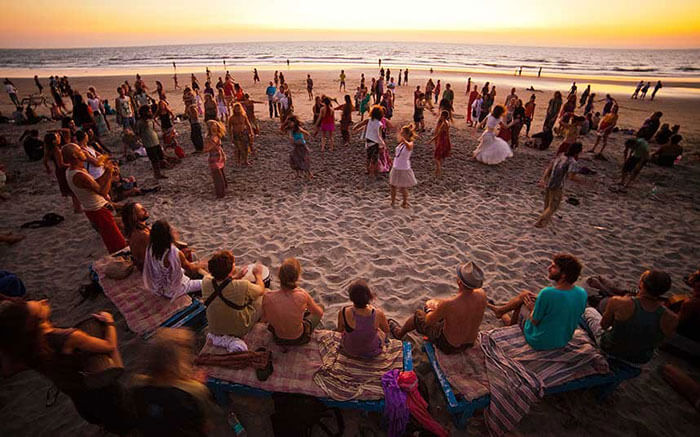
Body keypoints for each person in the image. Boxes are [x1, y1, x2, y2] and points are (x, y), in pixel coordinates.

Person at [0, 298, 134, 433]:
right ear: (36, 322)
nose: (44, 301)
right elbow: (109, 346)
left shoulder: (27, 348)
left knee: (102, 418)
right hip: (101, 390)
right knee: (124, 418)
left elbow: (7, 370)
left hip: (78, 398)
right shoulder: (67, 338)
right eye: (40, 306)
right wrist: (109, 321)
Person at [131, 328, 219, 435]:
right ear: (176, 360)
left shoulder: (136, 385)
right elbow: (205, 426)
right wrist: (194, 385)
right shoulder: (193, 392)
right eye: (186, 349)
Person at [489, 254, 586, 350]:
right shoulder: (581, 293)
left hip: (539, 340)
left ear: (564, 275)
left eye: (554, 267)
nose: (549, 268)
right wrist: (540, 300)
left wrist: (532, 308)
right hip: (563, 340)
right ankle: (500, 311)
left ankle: (507, 321)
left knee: (524, 299)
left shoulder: (548, 293)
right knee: (527, 296)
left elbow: (535, 321)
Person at [582, 270, 678, 364]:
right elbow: (659, 342)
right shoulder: (672, 318)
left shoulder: (618, 301)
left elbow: (604, 325)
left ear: (641, 284)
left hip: (609, 348)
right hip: (640, 359)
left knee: (589, 311)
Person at [390, 262, 487, 354]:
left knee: (418, 316)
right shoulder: (482, 294)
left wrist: (429, 308)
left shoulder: (450, 304)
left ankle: (399, 333)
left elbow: (428, 321)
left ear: (460, 282)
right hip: (470, 343)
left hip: (450, 346)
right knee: (444, 312)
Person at [63, 144, 126, 254]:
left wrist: (109, 174)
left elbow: (97, 184)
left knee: (129, 218)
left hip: (100, 207)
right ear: (74, 155)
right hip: (99, 210)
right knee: (117, 244)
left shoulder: (75, 170)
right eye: (80, 150)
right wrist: (108, 172)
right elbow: (102, 191)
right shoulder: (78, 175)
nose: (83, 151)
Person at [202, 251, 266, 338]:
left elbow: (222, 284)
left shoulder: (205, 281)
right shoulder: (242, 286)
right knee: (263, 296)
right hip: (239, 329)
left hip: (215, 328)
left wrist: (235, 277)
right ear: (231, 268)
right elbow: (261, 289)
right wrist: (258, 275)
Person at [262, 258, 324, 345]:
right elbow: (319, 313)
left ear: (279, 276)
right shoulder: (302, 295)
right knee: (321, 307)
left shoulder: (268, 297)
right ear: (297, 277)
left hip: (277, 337)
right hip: (298, 338)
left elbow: (265, 318)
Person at [143, 220, 203, 299]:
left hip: (158, 286)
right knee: (204, 283)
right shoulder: (173, 252)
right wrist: (201, 264)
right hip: (173, 290)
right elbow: (190, 268)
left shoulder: (150, 248)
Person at [336, 280, 390, 359]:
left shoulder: (343, 312)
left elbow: (339, 331)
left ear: (351, 298)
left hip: (350, 350)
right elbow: (387, 330)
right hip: (371, 351)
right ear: (369, 296)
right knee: (380, 332)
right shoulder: (378, 314)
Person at [534, 142, 583, 228]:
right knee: (553, 206)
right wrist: (583, 181)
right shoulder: (572, 161)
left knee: (547, 204)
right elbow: (571, 176)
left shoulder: (561, 155)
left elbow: (549, 167)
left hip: (549, 182)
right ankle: (539, 222)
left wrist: (543, 178)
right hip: (557, 185)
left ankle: (544, 222)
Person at [43, 132, 81, 213]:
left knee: (71, 190)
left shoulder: (49, 150)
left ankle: (77, 208)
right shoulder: (57, 150)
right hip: (63, 171)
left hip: (58, 172)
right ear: (54, 141)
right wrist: (72, 164)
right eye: (58, 137)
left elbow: (45, 161)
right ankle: (78, 209)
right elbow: (61, 164)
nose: (60, 138)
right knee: (73, 191)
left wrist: (48, 169)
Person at [389, 124, 418, 208]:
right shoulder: (401, 144)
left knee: (403, 187)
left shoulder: (410, 143)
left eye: (403, 133)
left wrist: (404, 140)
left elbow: (409, 147)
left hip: (404, 167)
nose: (401, 134)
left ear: (407, 134)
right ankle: (393, 202)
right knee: (392, 185)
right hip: (396, 165)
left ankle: (405, 202)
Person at [353, 106, 385, 179]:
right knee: (375, 159)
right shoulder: (379, 124)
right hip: (375, 142)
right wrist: (382, 144)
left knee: (368, 157)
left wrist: (355, 128)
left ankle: (367, 170)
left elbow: (360, 124)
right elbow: (379, 135)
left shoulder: (369, 120)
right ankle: (373, 173)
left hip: (368, 141)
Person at [135, 105, 167, 179]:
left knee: (160, 157)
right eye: (149, 111)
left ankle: (160, 172)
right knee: (154, 160)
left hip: (155, 141)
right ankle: (157, 174)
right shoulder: (140, 123)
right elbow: (137, 133)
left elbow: (153, 129)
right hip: (148, 143)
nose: (150, 112)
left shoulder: (151, 120)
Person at [120, 202, 150, 269]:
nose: (145, 210)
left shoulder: (136, 229)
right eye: (141, 210)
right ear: (134, 217)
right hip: (148, 267)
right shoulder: (142, 235)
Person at [204, 120, 227, 198]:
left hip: (219, 156)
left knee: (221, 173)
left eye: (215, 126)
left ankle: (222, 191)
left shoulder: (217, 135)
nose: (214, 128)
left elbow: (220, 147)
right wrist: (213, 145)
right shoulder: (208, 138)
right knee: (217, 175)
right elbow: (205, 149)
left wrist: (224, 155)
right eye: (212, 126)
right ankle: (220, 193)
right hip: (213, 157)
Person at [284, 115, 312, 180]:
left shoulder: (298, 128)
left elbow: (307, 133)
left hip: (302, 146)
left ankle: (309, 174)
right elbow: (290, 137)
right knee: (294, 159)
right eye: (289, 123)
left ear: (294, 122)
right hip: (296, 146)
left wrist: (303, 139)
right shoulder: (291, 130)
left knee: (303, 160)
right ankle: (298, 174)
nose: (290, 124)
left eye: (291, 122)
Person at [431, 110, 451, 177]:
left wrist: (432, 140)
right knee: (441, 156)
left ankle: (439, 170)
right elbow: (448, 133)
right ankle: (437, 170)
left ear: (443, 116)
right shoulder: (448, 123)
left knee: (436, 156)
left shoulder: (443, 124)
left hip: (441, 140)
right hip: (445, 140)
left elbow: (438, 133)